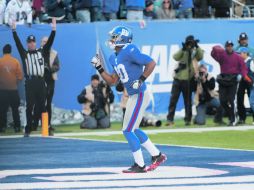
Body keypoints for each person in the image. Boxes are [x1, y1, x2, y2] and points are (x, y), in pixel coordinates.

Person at [91, 26, 167, 173]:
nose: (111, 40)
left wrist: (141, 79)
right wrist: (99, 67)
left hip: (140, 94)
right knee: (133, 129)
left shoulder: (130, 50)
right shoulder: (114, 57)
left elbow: (151, 63)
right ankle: (157, 155)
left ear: (122, 39)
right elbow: (113, 80)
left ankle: (140, 164)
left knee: (127, 130)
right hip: (132, 95)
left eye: (114, 37)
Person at [11, 18, 56, 137]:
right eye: (29, 42)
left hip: (41, 82)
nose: (31, 43)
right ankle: (28, 129)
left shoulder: (41, 51)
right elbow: (17, 43)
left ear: (35, 43)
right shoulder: (24, 53)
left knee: (43, 106)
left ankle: (46, 128)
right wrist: (14, 30)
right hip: (30, 82)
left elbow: (50, 42)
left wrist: (54, 30)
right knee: (29, 106)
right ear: (27, 44)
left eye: (33, 41)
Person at [166, 35, 204, 126]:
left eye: (191, 43)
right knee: (173, 100)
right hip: (178, 79)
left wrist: (197, 46)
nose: (190, 45)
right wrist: (183, 48)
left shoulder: (194, 52)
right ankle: (170, 120)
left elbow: (201, 56)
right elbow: (175, 57)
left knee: (187, 101)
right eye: (189, 43)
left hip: (188, 80)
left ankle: (188, 119)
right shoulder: (183, 51)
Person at [211, 41, 250, 126]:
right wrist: (214, 48)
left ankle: (233, 119)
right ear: (225, 47)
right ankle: (232, 115)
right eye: (228, 46)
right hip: (223, 79)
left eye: (231, 46)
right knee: (222, 101)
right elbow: (213, 55)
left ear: (232, 47)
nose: (229, 47)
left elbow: (243, 67)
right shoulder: (222, 56)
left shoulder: (238, 57)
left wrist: (242, 75)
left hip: (233, 80)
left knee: (232, 100)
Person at [0, 44, 23, 133]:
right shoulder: (16, 61)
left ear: (3, 51)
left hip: (2, 91)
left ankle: (2, 127)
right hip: (13, 90)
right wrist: (14, 82)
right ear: (10, 51)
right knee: (15, 110)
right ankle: (17, 127)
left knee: (2, 110)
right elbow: (20, 77)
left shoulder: (0, 61)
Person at [40, 36, 60, 134]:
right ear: (41, 43)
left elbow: (57, 66)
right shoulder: (37, 53)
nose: (45, 43)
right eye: (43, 41)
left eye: (46, 41)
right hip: (39, 81)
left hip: (51, 81)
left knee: (48, 103)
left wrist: (50, 69)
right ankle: (40, 124)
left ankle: (48, 125)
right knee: (40, 103)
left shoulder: (54, 53)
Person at [237, 47, 254, 124]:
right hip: (242, 82)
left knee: (252, 101)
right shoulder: (240, 62)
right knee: (239, 99)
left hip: (250, 83)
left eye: (240, 53)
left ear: (245, 53)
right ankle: (242, 118)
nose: (239, 55)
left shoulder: (251, 62)